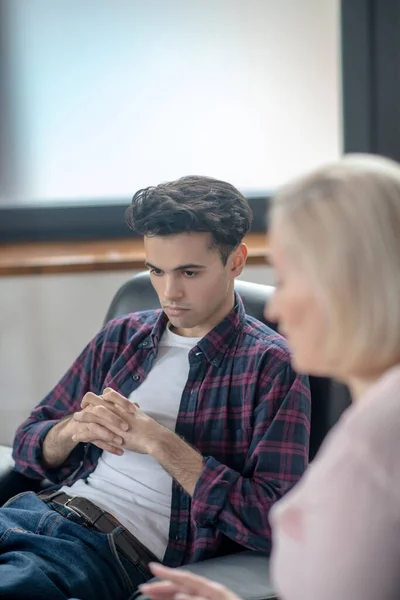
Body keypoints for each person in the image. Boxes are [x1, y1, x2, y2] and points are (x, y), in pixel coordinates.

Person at [3, 175, 311, 600]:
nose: (170, 292)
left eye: (189, 272)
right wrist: (73, 429)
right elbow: (26, 446)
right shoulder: (122, 336)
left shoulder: (271, 365)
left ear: (236, 261)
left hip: (103, 550)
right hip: (29, 514)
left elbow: (275, 523)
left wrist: (162, 443)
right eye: (156, 270)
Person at [140, 155, 400, 600]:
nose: (274, 309)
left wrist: (163, 446)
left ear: (356, 282)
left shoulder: (378, 442)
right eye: (157, 270)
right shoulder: (373, 421)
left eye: (289, 277)